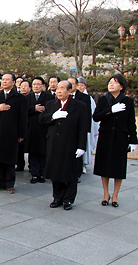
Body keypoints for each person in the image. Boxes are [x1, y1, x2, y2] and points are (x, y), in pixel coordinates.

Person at [39, 80, 89, 210]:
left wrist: (82, 146)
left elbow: (84, 128)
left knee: (70, 172)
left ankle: (68, 199)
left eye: (62, 88)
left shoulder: (80, 106)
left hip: (71, 143)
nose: (59, 91)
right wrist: (53, 116)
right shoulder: (51, 104)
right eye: (58, 89)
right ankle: (57, 197)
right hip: (54, 144)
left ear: (70, 90)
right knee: (55, 172)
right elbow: (42, 119)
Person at [93, 74, 138, 207]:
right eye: (110, 82)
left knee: (118, 167)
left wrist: (133, 140)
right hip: (106, 137)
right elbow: (96, 117)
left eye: (114, 82)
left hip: (120, 138)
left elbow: (131, 122)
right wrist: (110, 110)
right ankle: (106, 193)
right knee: (104, 166)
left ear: (121, 86)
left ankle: (115, 195)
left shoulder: (128, 101)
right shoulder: (103, 99)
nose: (111, 84)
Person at [0, 73, 27, 194]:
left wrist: (21, 134)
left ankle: (9, 183)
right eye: (3, 80)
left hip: (11, 132)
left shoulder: (19, 98)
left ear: (13, 82)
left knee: (9, 158)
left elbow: (23, 117)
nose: (5, 82)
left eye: (8, 80)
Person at [25, 77, 54, 183]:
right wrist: (34, 109)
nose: (36, 86)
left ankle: (42, 173)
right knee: (33, 152)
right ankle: (34, 174)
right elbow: (23, 110)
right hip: (31, 128)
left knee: (43, 152)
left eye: (38, 84)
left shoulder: (49, 97)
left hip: (44, 128)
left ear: (43, 86)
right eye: (34, 85)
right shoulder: (28, 97)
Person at [77, 76, 99, 174]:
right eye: (78, 85)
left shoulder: (89, 98)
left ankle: (84, 165)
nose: (80, 87)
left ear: (85, 86)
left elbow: (93, 113)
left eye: (82, 85)